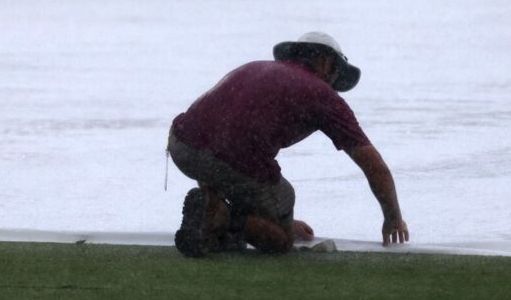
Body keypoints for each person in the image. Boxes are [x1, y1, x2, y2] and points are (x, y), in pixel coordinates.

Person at [167, 31, 409, 257]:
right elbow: (373, 164)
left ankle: (210, 208)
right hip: (229, 158)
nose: (334, 84)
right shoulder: (323, 96)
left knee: (226, 161)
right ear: (326, 63)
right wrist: (393, 218)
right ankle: (221, 216)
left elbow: (218, 129)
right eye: (336, 74)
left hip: (182, 144)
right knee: (281, 240)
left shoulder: (254, 67)